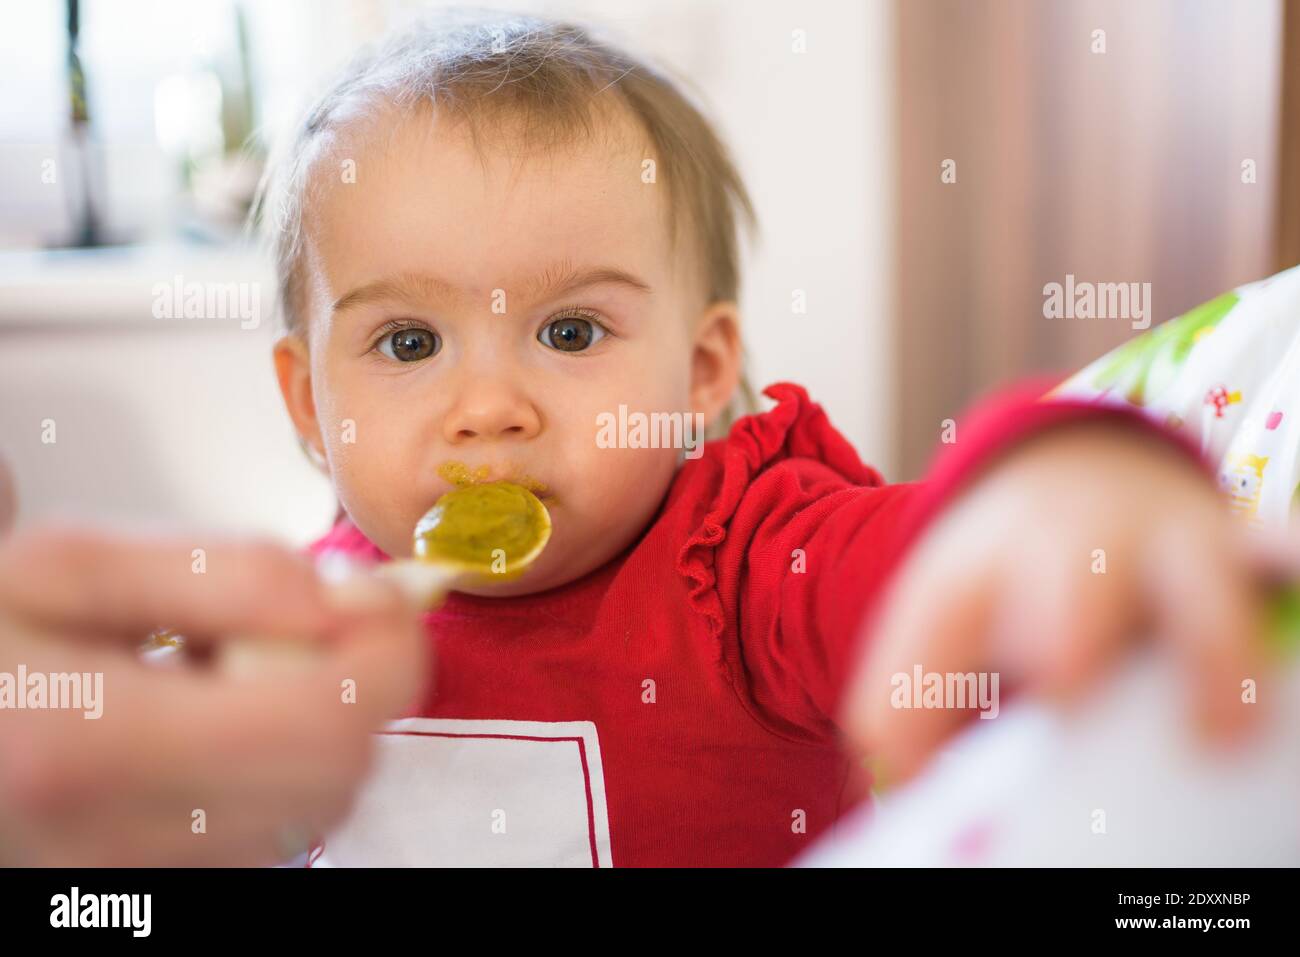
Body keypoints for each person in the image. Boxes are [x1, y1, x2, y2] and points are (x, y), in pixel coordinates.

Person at [257, 10, 1289, 867]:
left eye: (570, 331)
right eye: (407, 342)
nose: (486, 408)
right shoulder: (311, 618)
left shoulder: (746, 561)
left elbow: (928, 563)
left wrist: (1052, 489)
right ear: (311, 403)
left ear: (701, 374)